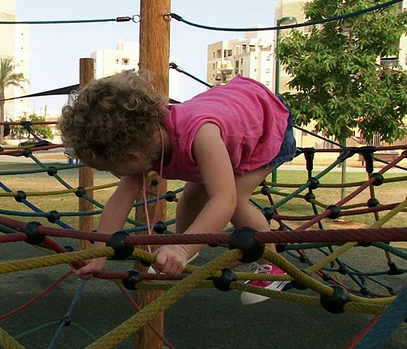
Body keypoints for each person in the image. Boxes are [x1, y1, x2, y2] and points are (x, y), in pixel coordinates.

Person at [57, 70, 297, 305]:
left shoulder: (201, 134)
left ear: (130, 154)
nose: (116, 174)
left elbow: (224, 200)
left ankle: (271, 267)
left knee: (235, 199)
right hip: (235, 115)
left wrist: (182, 249)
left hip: (268, 123)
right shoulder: (143, 139)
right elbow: (120, 201)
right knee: (191, 195)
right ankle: (186, 244)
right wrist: (100, 252)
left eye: (112, 167)